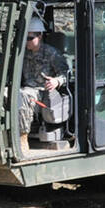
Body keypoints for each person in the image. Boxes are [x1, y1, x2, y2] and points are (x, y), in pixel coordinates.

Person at [19, 16, 69, 150]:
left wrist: (56, 81)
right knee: (1, 94)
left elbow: (66, 74)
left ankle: (22, 138)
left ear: (39, 36)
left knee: (22, 96)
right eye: (25, 38)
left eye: (30, 38)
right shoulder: (22, 54)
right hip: (24, 88)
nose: (27, 42)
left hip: (41, 94)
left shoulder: (51, 53)